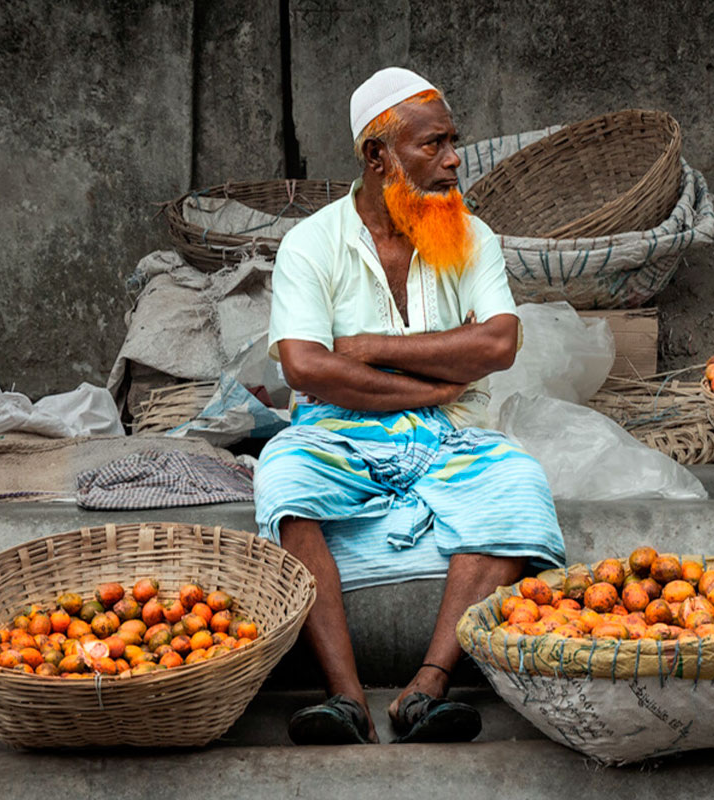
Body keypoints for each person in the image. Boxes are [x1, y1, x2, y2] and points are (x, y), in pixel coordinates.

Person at [254, 67, 565, 745]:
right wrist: (432, 382)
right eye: (434, 145)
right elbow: (306, 365)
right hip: (338, 433)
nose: (454, 160)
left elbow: (499, 341)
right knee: (281, 475)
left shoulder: (472, 236)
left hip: (451, 434)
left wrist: (366, 347)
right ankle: (346, 699)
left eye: (454, 141)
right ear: (378, 156)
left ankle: (427, 688)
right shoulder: (311, 243)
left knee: (518, 483)